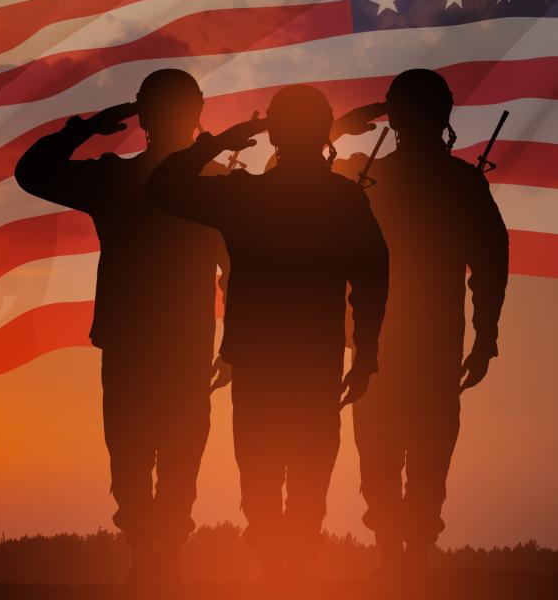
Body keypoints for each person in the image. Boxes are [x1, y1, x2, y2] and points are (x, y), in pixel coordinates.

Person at [146, 84, 389, 582]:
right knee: (306, 474)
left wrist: (225, 139)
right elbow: (372, 276)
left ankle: (278, 572)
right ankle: (290, 572)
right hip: (313, 360)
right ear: (322, 132)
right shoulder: (342, 199)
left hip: (260, 358)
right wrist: (365, 354)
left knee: (261, 471)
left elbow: (164, 186)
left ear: (274, 132)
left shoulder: (245, 196)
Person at [13, 69, 240, 586]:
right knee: (162, 447)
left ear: (143, 115)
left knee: (139, 446)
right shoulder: (206, 186)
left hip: (147, 339)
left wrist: (88, 129)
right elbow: (235, 271)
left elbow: (33, 172)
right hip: (170, 339)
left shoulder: (117, 180)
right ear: (196, 110)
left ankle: (152, 551)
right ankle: (156, 552)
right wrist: (233, 342)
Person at [333, 69, 510, 576]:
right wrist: (485, 336)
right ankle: (405, 553)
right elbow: (492, 262)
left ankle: (400, 553)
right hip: (408, 343)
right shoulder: (454, 183)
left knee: (393, 451)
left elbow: (491, 260)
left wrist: (349, 123)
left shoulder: (367, 178)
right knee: (421, 450)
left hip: (386, 343)